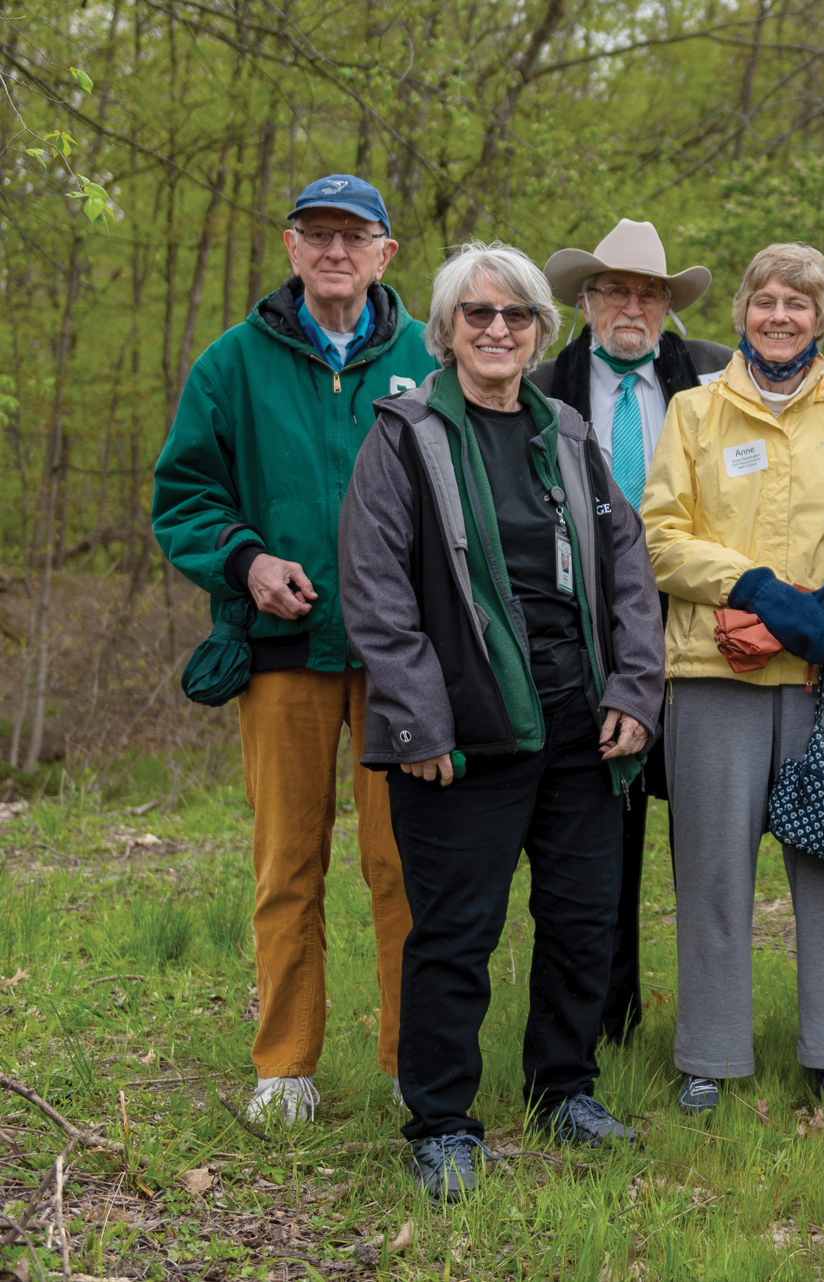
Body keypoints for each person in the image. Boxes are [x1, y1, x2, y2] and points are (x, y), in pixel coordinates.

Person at [339, 241, 664, 1201]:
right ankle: (441, 1121)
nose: (496, 330)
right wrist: (418, 721)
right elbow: (374, 590)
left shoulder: (564, 432)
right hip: (464, 735)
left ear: (537, 332)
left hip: (580, 728)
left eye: (515, 316)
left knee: (581, 921)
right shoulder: (403, 436)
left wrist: (634, 693)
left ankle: (563, 1088)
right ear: (445, 333)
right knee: (453, 933)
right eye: (477, 315)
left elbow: (629, 577)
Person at [152, 174, 432, 1124]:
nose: (335, 251)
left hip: (405, 662)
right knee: (287, 866)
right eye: (317, 234)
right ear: (290, 247)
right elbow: (184, 496)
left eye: (355, 235)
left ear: (386, 253)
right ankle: (285, 1070)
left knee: (406, 869)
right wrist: (247, 560)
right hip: (282, 651)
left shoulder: (431, 357)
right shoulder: (231, 363)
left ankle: (411, 1064)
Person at [642, 243, 824, 1115]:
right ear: (742, 312)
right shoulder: (695, 412)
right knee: (713, 864)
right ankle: (711, 1052)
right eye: (764, 301)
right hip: (716, 666)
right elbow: (662, 532)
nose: (779, 315)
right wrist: (755, 592)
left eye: (798, 302)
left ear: (822, 317)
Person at [529, 219, 732, 1045]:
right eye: (615, 290)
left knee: (705, 840)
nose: (632, 307)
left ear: (666, 308)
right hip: (587, 634)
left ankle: (709, 1024)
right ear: (585, 300)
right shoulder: (543, 385)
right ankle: (605, 1023)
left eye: (649, 294)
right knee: (601, 844)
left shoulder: (716, 377)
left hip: (698, 630)